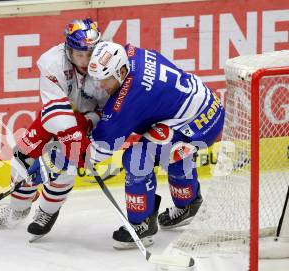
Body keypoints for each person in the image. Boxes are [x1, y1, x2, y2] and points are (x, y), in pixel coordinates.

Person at [56, 41, 224, 249]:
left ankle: (142, 224)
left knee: (136, 158)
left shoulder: (127, 100)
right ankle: (188, 204)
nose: (101, 86)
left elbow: (98, 150)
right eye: (97, 79)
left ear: (121, 72)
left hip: (196, 124)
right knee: (169, 147)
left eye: (105, 79)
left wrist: (61, 158)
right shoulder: (130, 53)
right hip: (208, 107)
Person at [0, 19, 107, 240]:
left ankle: (47, 212)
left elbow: (112, 107)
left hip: (88, 122)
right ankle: (18, 208)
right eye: (80, 54)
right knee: (23, 155)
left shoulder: (107, 61)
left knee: (64, 166)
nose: (86, 61)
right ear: (68, 49)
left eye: (90, 53)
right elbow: (54, 107)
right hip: (55, 115)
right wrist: (71, 136)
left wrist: (88, 124)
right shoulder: (52, 62)